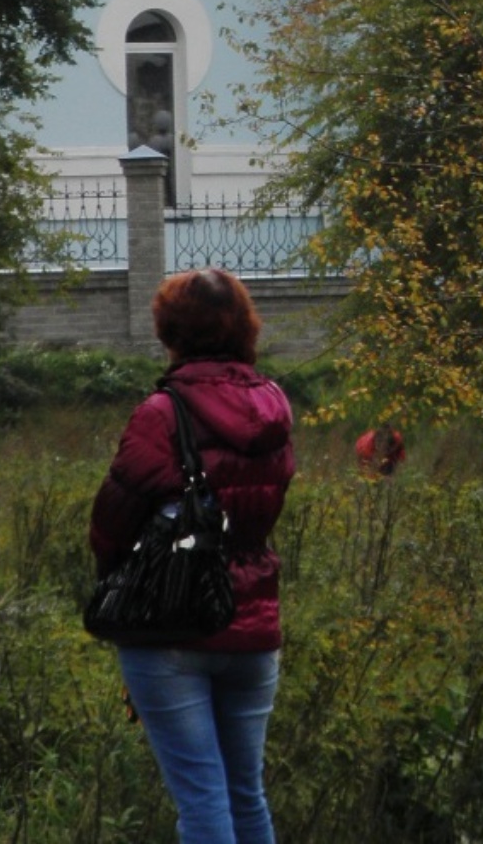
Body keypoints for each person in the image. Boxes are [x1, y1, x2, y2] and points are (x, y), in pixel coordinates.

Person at [90, 268, 295, 844]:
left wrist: (119, 591)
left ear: (170, 330)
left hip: (171, 626)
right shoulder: (276, 406)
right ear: (246, 328)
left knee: (202, 799)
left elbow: (111, 522)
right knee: (244, 794)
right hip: (255, 622)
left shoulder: (161, 412)